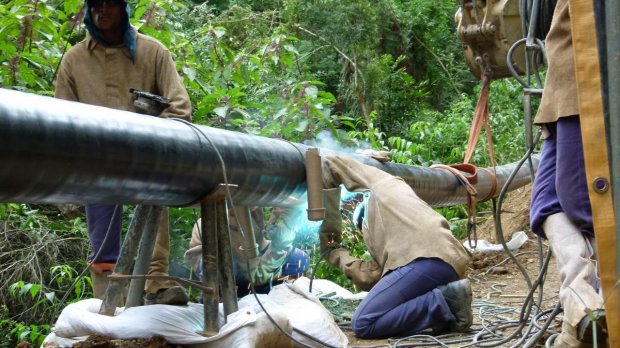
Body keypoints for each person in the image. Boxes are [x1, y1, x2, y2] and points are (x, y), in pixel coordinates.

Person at [55, 0, 192, 305]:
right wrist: (66, 183)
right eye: (95, 6)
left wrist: (151, 136)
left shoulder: (153, 51)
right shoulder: (75, 59)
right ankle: (108, 299)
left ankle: (157, 284)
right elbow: (60, 119)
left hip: (145, 156)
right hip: (98, 160)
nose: (102, 12)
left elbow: (180, 107)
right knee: (102, 236)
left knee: (153, 211)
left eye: (110, 4)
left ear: (125, 9)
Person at [319, 155, 472, 338]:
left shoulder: (382, 188)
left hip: (425, 260)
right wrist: (337, 254)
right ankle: (447, 309)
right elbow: (374, 277)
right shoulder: (396, 234)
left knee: (363, 322)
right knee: (377, 314)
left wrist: (330, 228)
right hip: (448, 262)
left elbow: (330, 161)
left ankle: (442, 303)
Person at [529, 0, 607, 345]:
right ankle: (582, 307)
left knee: (583, 202)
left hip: (587, 74)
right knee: (546, 203)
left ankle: (603, 306)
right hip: (563, 78)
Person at [185, 206, 310, 297]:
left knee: (298, 259)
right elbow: (255, 275)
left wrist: (281, 237)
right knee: (223, 266)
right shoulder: (208, 225)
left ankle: (270, 298)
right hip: (226, 274)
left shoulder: (254, 203)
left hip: (256, 267)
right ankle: (220, 301)